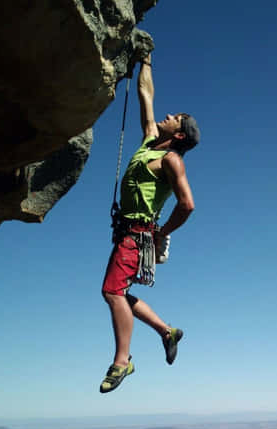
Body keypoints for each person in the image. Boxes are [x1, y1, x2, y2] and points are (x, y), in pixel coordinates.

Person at [99, 53, 200, 393]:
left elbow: (187, 205)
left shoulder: (171, 160)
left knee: (112, 292)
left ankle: (122, 361)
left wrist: (162, 231)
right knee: (118, 291)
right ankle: (167, 331)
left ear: (181, 135)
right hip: (128, 233)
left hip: (137, 234)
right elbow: (146, 95)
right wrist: (147, 60)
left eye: (177, 118)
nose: (169, 116)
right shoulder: (149, 142)